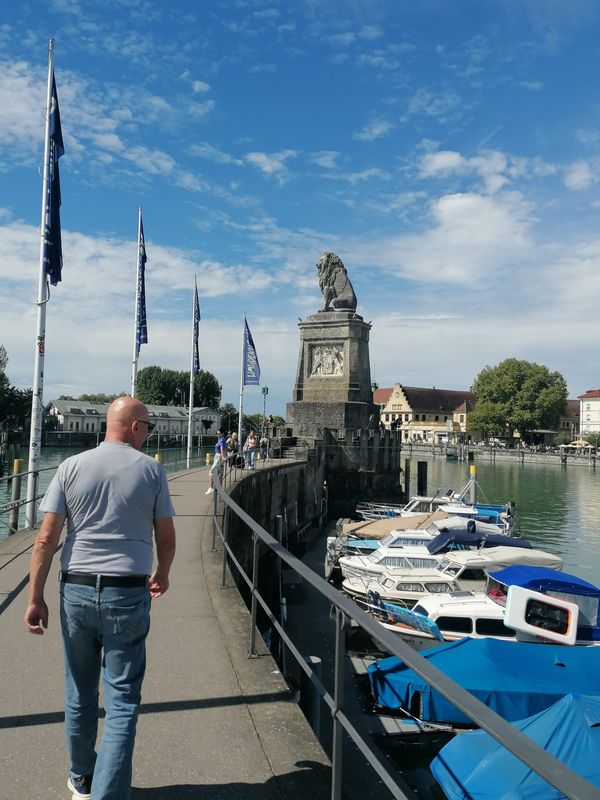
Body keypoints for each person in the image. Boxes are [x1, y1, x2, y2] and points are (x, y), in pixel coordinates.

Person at [24, 396, 176, 800]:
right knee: (122, 700)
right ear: (134, 427)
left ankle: (82, 779)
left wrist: (35, 597)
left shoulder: (70, 467)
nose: (148, 435)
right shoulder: (152, 470)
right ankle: (108, 793)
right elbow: (166, 538)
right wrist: (162, 573)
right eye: (148, 427)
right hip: (127, 591)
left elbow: (45, 540)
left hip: (75, 589)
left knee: (79, 689)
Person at [206, 429, 227, 493]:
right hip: (218, 456)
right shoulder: (222, 440)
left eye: (218, 434)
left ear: (222, 433)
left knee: (211, 472)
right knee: (219, 473)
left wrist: (223, 457)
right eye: (217, 434)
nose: (217, 435)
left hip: (219, 457)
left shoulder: (222, 440)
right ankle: (219, 489)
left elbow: (222, 448)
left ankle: (211, 488)